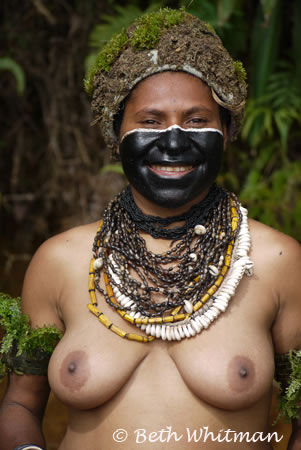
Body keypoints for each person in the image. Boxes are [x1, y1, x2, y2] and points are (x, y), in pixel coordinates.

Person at [0, 8, 300, 450]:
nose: (174, 142)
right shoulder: (60, 261)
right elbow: (21, 405)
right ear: (115, 131)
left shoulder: (277, 263)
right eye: (150, 121)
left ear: (227, 129)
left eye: (197, 121)